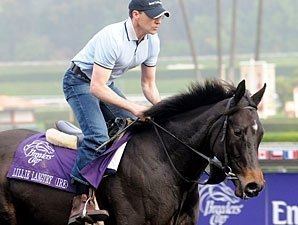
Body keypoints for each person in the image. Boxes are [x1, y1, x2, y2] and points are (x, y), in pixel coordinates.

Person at [62, 0, 170, 224]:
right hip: (79, 82)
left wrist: (164, 111)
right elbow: (95, 87)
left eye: (161, 16)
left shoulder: (153, 41)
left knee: (134, 128)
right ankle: (80, 200)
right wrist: (132, 106)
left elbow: (148, 86)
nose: (158, 20)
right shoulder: (112, 37)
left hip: (105, 84)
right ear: (136, 15)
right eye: (153, 15)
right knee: (98, 137)